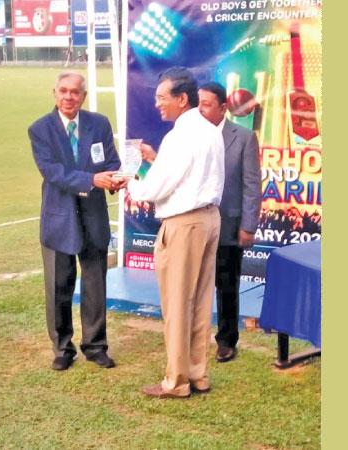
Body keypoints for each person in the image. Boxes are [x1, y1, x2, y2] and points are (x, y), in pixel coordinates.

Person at [121, 67, 225, 398]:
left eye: (162, 98)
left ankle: (176, 381)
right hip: (209, 218)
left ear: (182, 99)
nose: (157, 105)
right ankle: (197, 374)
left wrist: (131, 179)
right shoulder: (210, 130)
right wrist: (154, 163)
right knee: (199, 300)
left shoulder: (180, 136)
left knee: (178, 302)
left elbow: (154, 189)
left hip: (184, 224)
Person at [28, 72, 121, 371]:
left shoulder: (100, 123)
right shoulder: (40, 130)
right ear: (54, 93)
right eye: (63, 91)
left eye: (75, 92)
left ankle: (95, 346)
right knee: (59, 286)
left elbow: (112, 162)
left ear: (84, 96)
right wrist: (92, 179)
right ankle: (62, 347)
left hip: (93, 217)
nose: (69, 97)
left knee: (95, 284)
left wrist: (116, 178)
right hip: (59, 220)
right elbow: (53, 172)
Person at [198, 82, 261, 363]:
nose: (200, 109)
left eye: (207, 104)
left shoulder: (244, 138)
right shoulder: (190, 136)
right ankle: (191, 337)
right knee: (194, 284)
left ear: (223, 108)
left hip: (228, 225)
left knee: (226, 284)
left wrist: (248, 226)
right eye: (198, 103)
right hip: (195, 224)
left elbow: (252, 185)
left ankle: (226, 341)